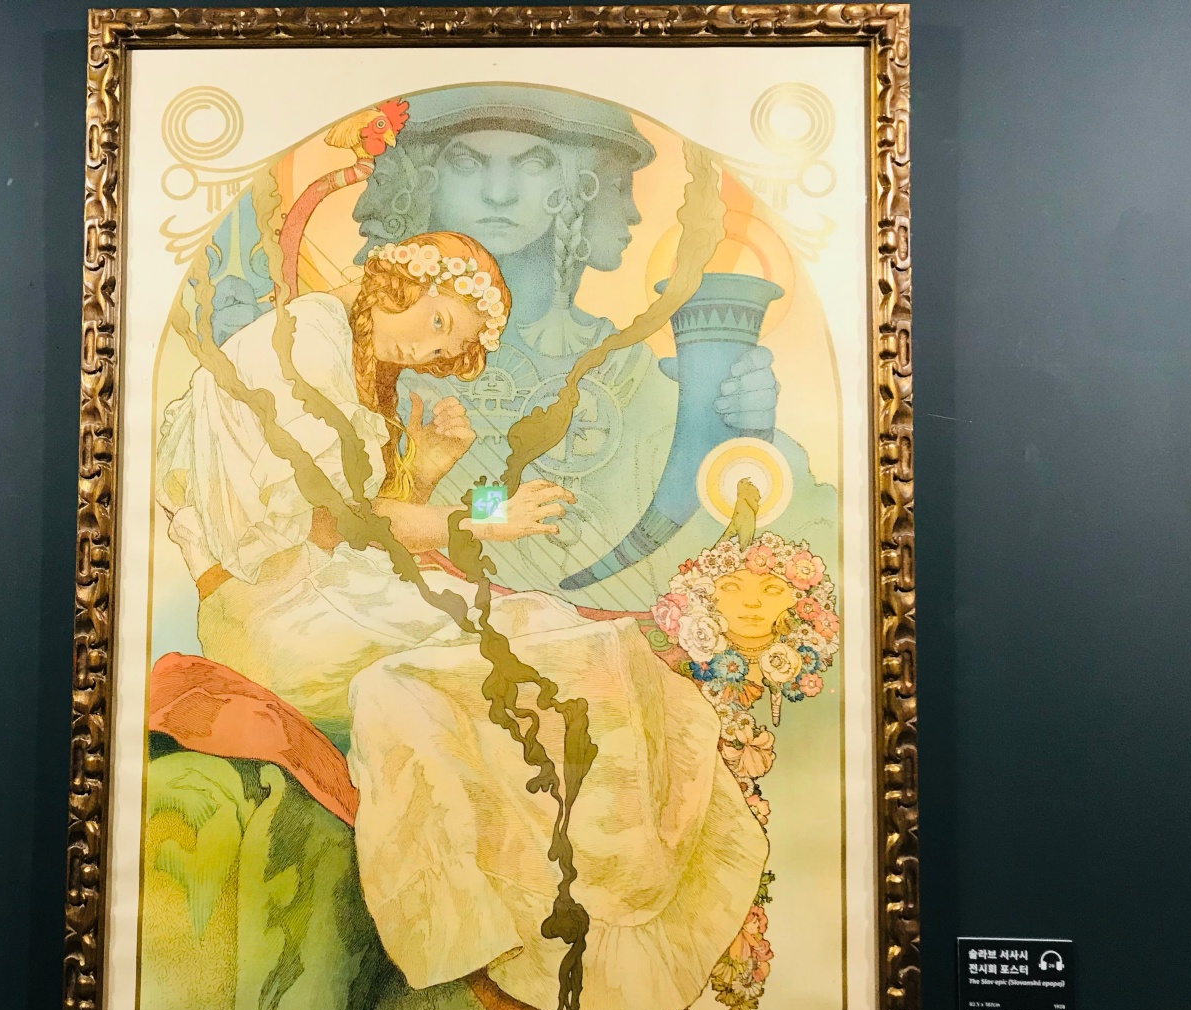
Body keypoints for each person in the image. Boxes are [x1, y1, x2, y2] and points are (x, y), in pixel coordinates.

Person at [155, 232, 773, 1010]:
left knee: (587, 648)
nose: (433, 346)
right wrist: (481, 512)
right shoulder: (300, 343)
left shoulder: (359, 363)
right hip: (277, 609)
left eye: (450, 342)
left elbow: (373, 513)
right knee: (484, 673)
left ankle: (634, 975)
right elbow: (332, 523)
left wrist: (432, 468)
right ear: (398, 282)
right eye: (438, 320)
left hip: (349, 586)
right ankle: (599, 996)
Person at [352, 86, 836, 617]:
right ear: (423, 177)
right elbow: (372, 519)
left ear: (583, 182)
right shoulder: (392, 349)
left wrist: (742, 432)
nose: (499, 194)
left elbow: (742, 518)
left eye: (535, 163)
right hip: (442, 619)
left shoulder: (625, 366)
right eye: (466, 162)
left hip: (595, 622)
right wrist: (444, 490)